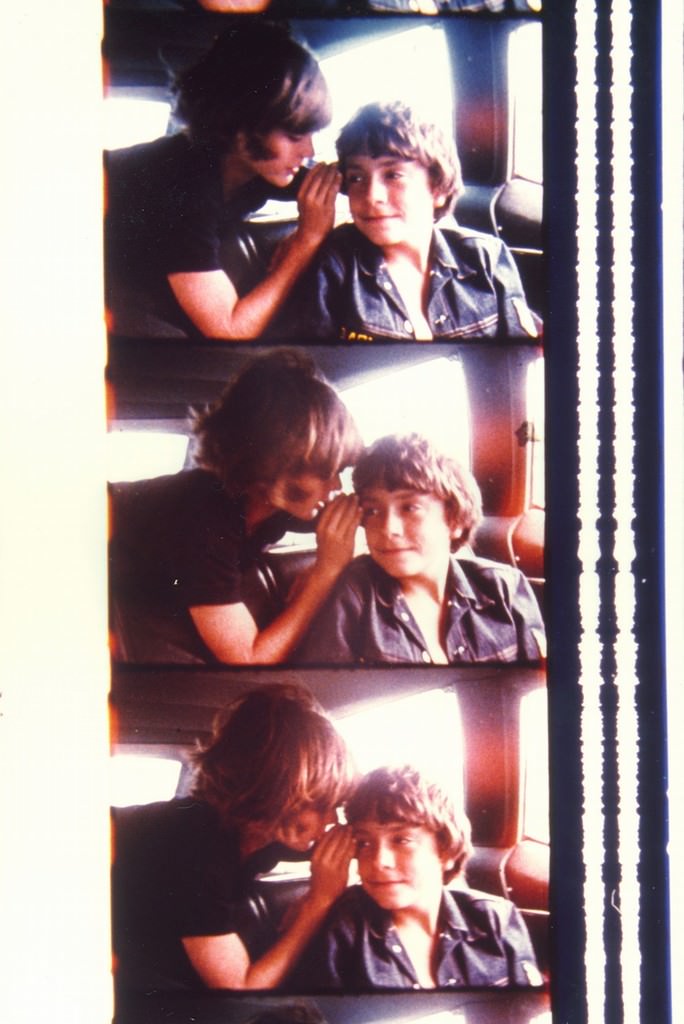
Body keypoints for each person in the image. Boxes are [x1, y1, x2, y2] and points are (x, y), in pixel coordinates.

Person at [109, 349, 363, 664]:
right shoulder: (202, 519)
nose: (336, 486)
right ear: (271, 466)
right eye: (324, 473)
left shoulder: (279, 499)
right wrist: (325, 572)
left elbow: (362, 518)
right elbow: (248, 658)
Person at [111, 684, 357, 992]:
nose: (331, 820)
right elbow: (240, 987)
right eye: (321, 805)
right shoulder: (195, 848)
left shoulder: (265, 833)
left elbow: (349, 843)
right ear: (276, 793)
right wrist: (318, 902)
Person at [105, 20, 341, 338]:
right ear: (241, 127)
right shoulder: (182, 186)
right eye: (295, 135)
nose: (309, 151)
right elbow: (228, 329)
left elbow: (334, 181)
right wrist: (306, 241)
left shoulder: (254, 164)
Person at [278, 101, 540, 341]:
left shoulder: (486, 258)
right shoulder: (334, 267)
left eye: (393, 175)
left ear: (437, 188)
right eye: (357, 178)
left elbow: (520, 356)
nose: (372, 196)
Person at [294, 433, 545, 665]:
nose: (388, 528)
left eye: (410, 508)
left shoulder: (505, 588)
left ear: (454, 521)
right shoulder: (354, 596)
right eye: (372, 510)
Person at [292, 765, 544, 991]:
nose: (379, 861)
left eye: (401, 840)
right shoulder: (342, 932)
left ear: (446, 850)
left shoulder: (495, 920)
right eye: (364, 843)